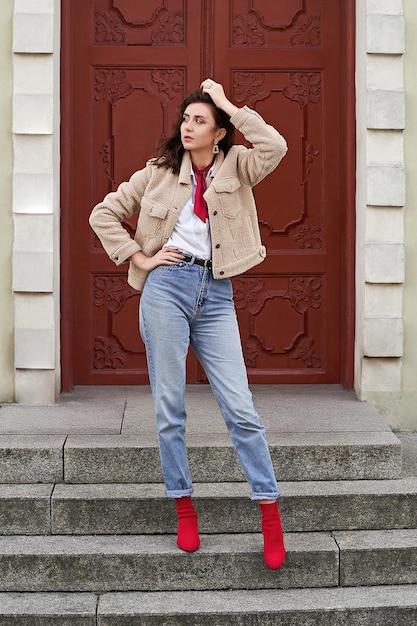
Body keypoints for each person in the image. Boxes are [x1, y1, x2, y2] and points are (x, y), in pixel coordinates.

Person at [89, 79, 288, 570]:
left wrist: (226, 105)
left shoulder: (240, 165)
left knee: (241, 409)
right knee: (170, 406)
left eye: (200, 120)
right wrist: (141, 256)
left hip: (215, 294)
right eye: (187, 119)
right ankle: (183, 506)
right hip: (166, 289)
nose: (189, 125)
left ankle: (268, 513)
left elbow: (276, 145)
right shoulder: (158, 172)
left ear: (219, 132)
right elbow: (103, 213)